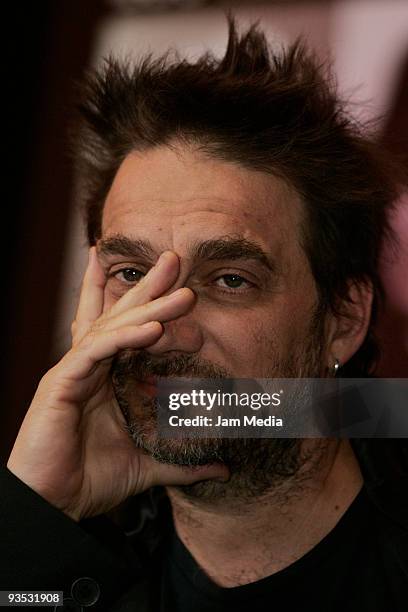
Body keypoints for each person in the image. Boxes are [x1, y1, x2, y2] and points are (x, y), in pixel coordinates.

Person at [1, 18, 407, 612]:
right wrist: (38, 520)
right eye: (133, 275)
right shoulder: (69, 554)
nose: (165, 329)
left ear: (344, 317)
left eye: (229, 280)